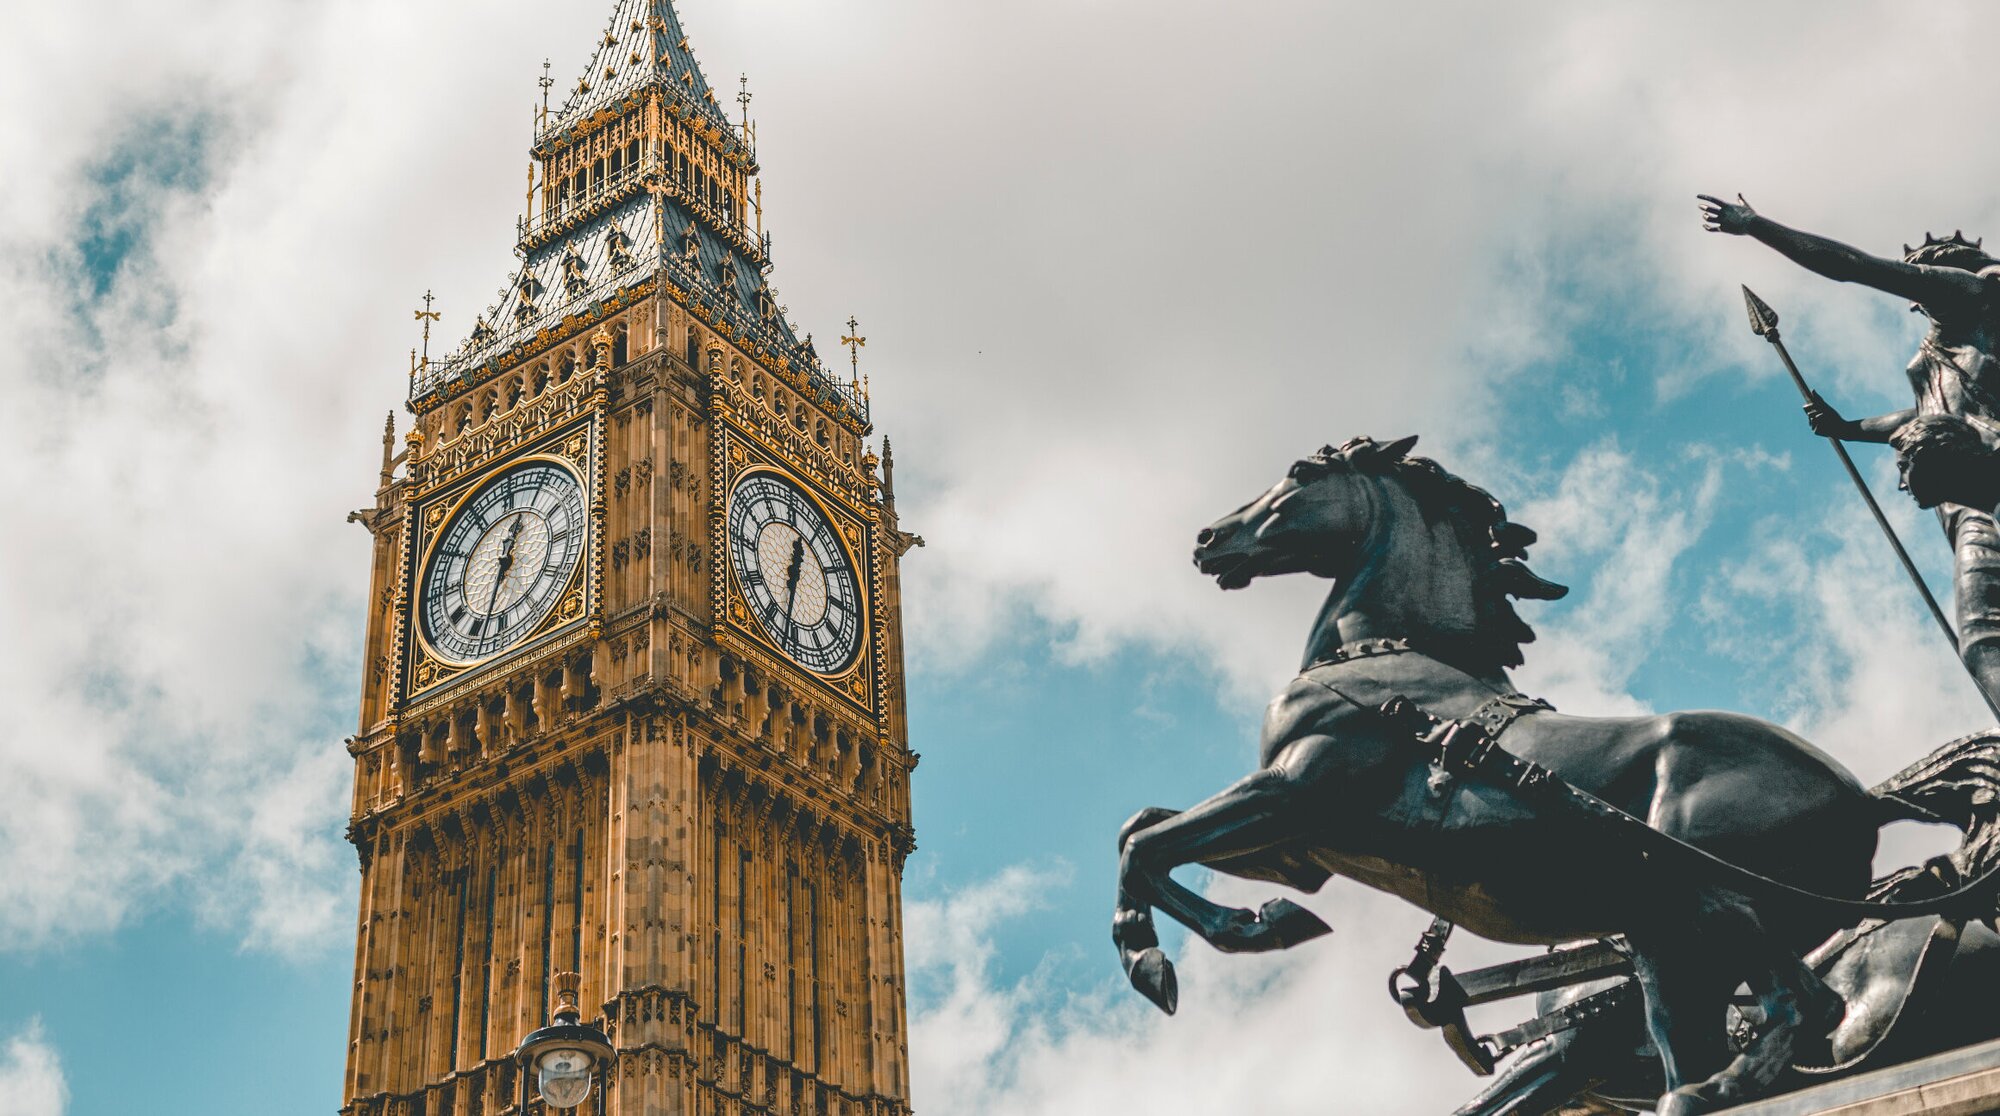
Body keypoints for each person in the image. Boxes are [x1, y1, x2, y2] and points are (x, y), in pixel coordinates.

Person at [1700, 192, 2000, 710]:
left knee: (1985, 636)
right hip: (1966, 505)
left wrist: (1755, 225)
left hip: (1990, 471)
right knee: (1980, 641)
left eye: (1919, 273)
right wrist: (1848, 427)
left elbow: (1851, 267)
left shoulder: (1968, 296)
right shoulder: (1937, 353)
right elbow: (1921, 420)